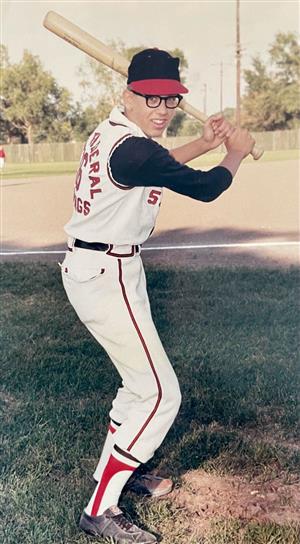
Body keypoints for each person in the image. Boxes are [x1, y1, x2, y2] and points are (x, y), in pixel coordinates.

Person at [61, 48, 254, 543]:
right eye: (150, 97)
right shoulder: (134, 148)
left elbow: (157, 165)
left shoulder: (122, 137)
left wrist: (205, 141)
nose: (162, 107)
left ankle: (123, 468)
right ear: (126, 95)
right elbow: (207, 188)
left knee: (135, 387)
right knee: (161, 394)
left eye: (171, 98)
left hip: (104, 265)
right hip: (107, 272)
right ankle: (99, 509)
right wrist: (234, 152)